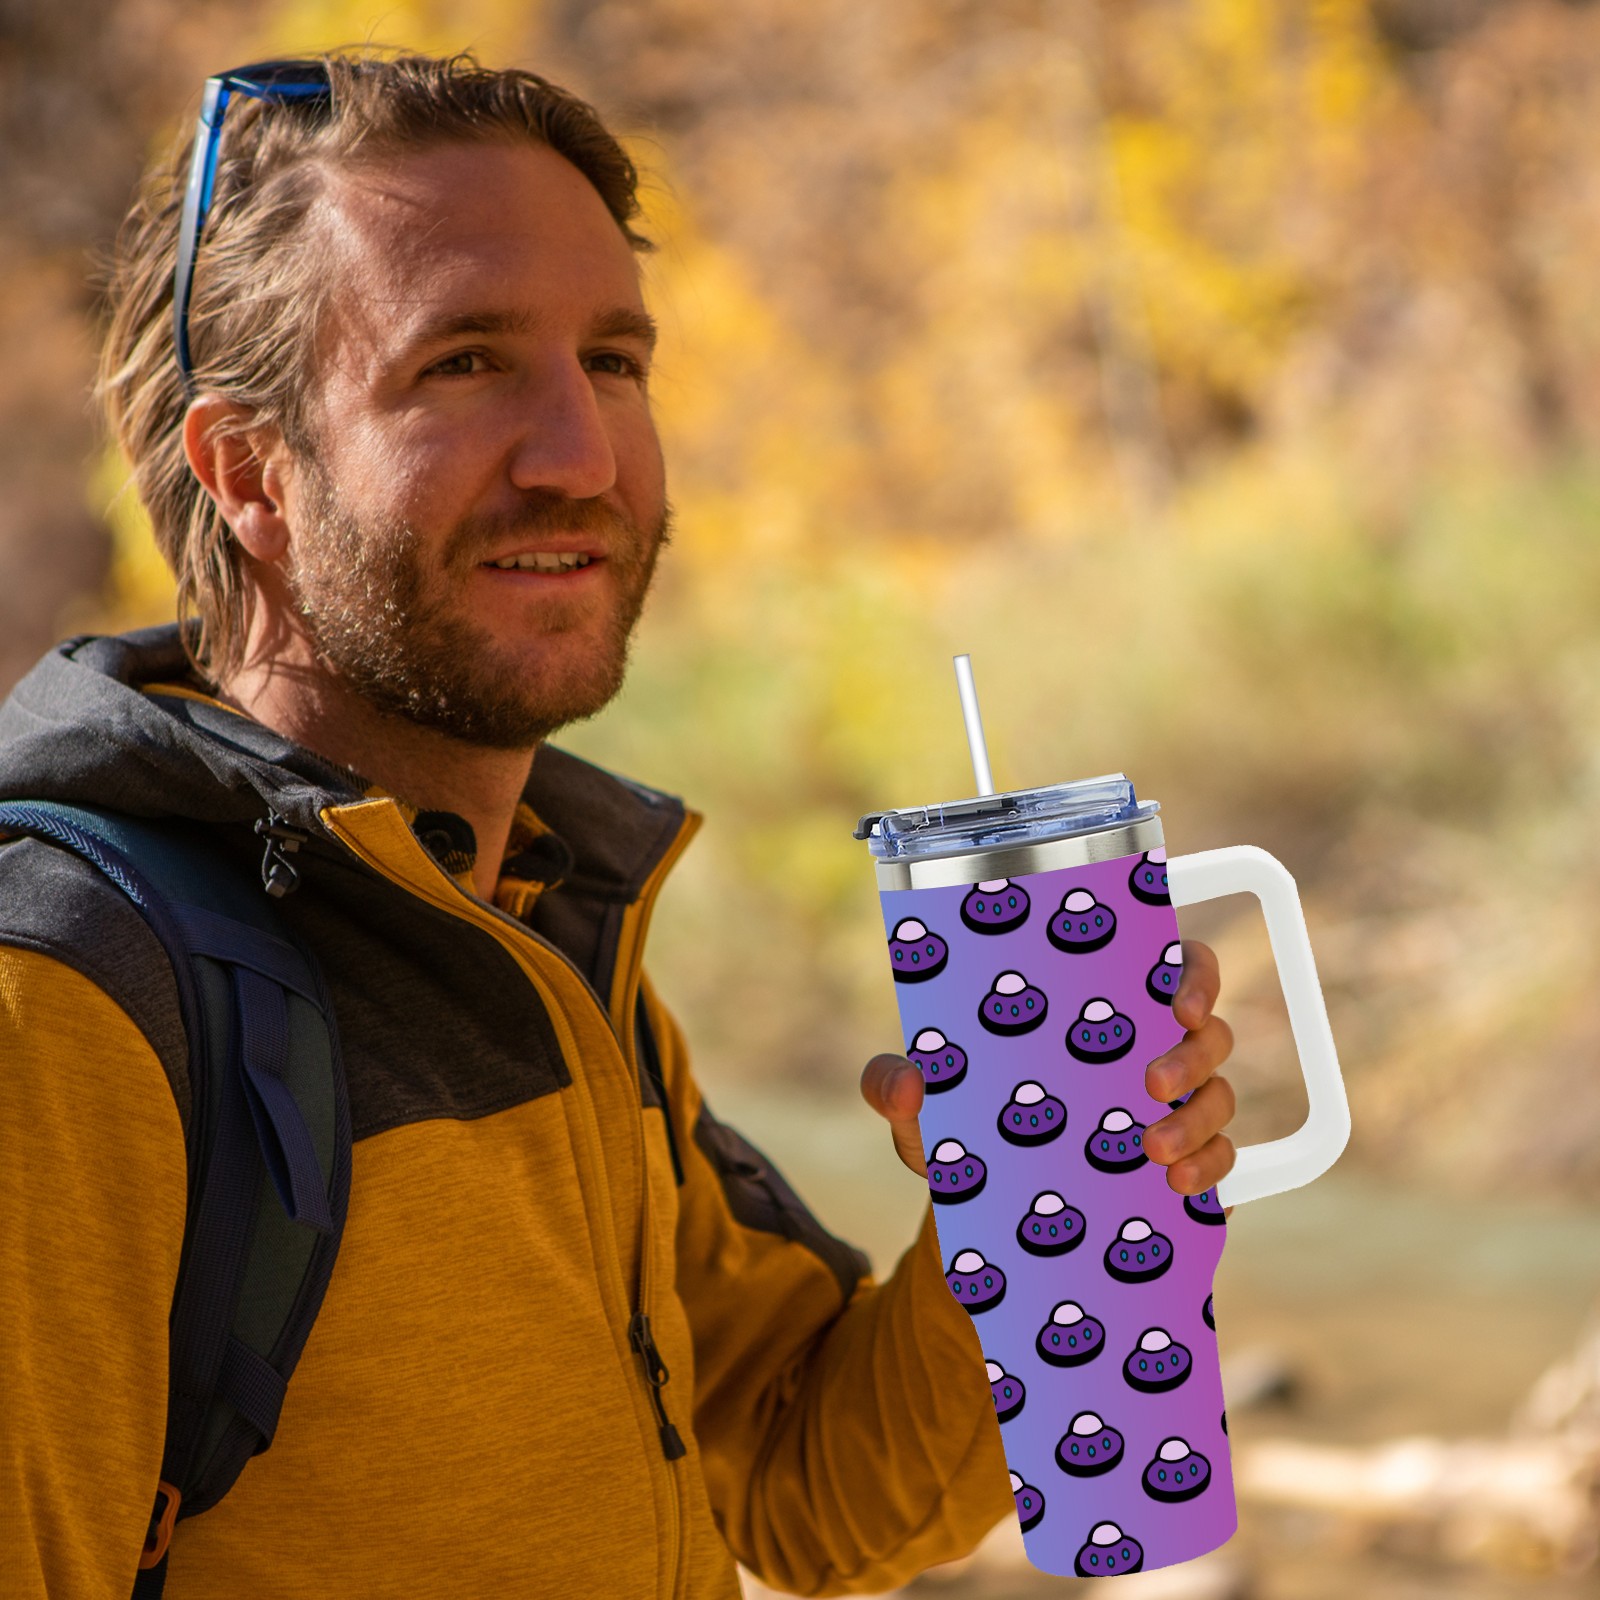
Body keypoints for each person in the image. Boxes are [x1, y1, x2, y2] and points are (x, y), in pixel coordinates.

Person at [0, 50, 1239, 1598]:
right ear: (251, 473)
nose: (581, 455)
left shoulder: (541, 922)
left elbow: (806, 1489)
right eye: (464, 363)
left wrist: (1053, 1210)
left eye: (614, 360)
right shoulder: (69, 998)